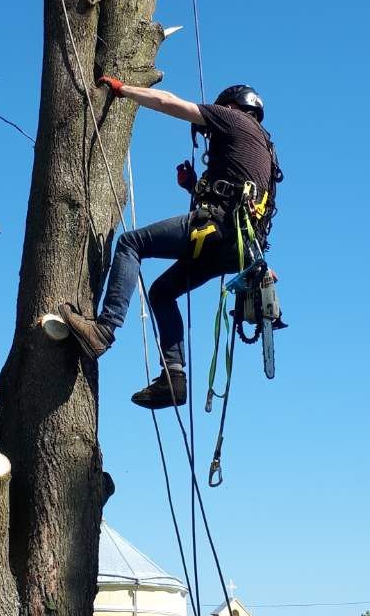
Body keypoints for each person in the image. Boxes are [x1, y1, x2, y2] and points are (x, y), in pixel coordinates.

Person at [59, 80, 280, 409]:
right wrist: (194, 187)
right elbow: (237, 196)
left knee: (131, 243)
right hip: (238, 251)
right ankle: (173, 379)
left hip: (216, 229)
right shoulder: (265, 149)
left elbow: (168, 101)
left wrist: (124, 90)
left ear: (231, 106)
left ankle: (103, 331)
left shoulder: (231, 118)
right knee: (162, 293)